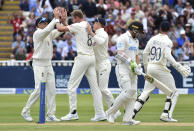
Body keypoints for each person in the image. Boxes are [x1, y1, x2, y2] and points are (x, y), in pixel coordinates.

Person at [132, 21, 191, 122]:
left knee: (146, 92)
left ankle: (131, 113)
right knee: (174, 92)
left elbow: (145, 53)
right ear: (169, 30)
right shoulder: (168, 41)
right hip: (160, 68)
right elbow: (168, 56)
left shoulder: (153, 38)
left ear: (160, 29)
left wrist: (146, 69)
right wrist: (179, 67)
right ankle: (165, 115)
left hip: (150, 67)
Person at [56, 10, 106, 121]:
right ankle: (100, 113)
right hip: (91, 58)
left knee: (71, 86)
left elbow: (60, 29)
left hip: (82, 58)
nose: (72, 21)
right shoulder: (86, 24)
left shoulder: (78, 25)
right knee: (95, 88)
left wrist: (57, 19)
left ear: (76, 18)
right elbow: (73, 30)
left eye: (73, 19)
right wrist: (65, 22)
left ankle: (73, 112)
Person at [21, 8, 64, 122]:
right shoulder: (37, 33)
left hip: (48, 64)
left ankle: (50, 114)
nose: (44, 24)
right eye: (42, 23)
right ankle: (25, 111)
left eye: (45, 23)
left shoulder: (48, 32)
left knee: (52, 90)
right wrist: (55, 19)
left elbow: (61, 30)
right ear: (37, 25)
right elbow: (48, 30)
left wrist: (63, 20)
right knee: (39, 89)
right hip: (39, 64)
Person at [106, 21, 144, 125]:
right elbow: (119, 53)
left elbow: (136, 55)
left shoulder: (136, 41)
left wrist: (139, 66)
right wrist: (131, 63)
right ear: (134, 29)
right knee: (127, 92)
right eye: (139, 32)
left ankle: (128, 119)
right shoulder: (123, 37)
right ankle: (110, 112)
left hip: (133, 70)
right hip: (123, 68)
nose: (140, 34)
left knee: (133, 94)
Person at [87, 18, 121, 118]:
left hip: (103, 64)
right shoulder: (95, 34)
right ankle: (99, 113)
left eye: (95, 23)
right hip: (96, 65)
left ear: (99, 24)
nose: (93, 24)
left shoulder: (103, 34)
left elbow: (101, 42)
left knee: (103, 89)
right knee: (97, 90)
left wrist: (91, 33)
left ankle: (116, 110)